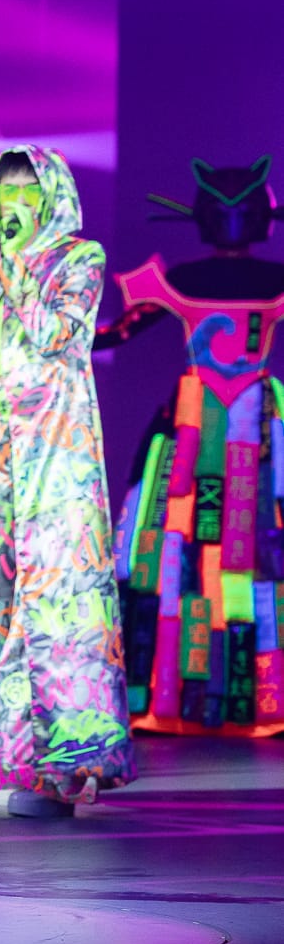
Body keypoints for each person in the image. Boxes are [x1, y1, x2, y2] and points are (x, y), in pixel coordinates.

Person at [0, 146, 134, 818]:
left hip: (56, 461)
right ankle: (4, 753)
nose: (11, 204)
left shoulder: (79, 260)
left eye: (26, 191)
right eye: (3, 191)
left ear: (50, 195)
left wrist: (23, 267)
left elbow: (57, 335)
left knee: (51, 612)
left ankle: (49, 765)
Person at [96, 157, 284, 736]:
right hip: (253, 427)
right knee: (254, 546)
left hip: (192, 425)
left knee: (167, 547)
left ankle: (172, 690)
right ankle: (256, 698)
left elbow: (111, 334)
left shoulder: (174, 280)